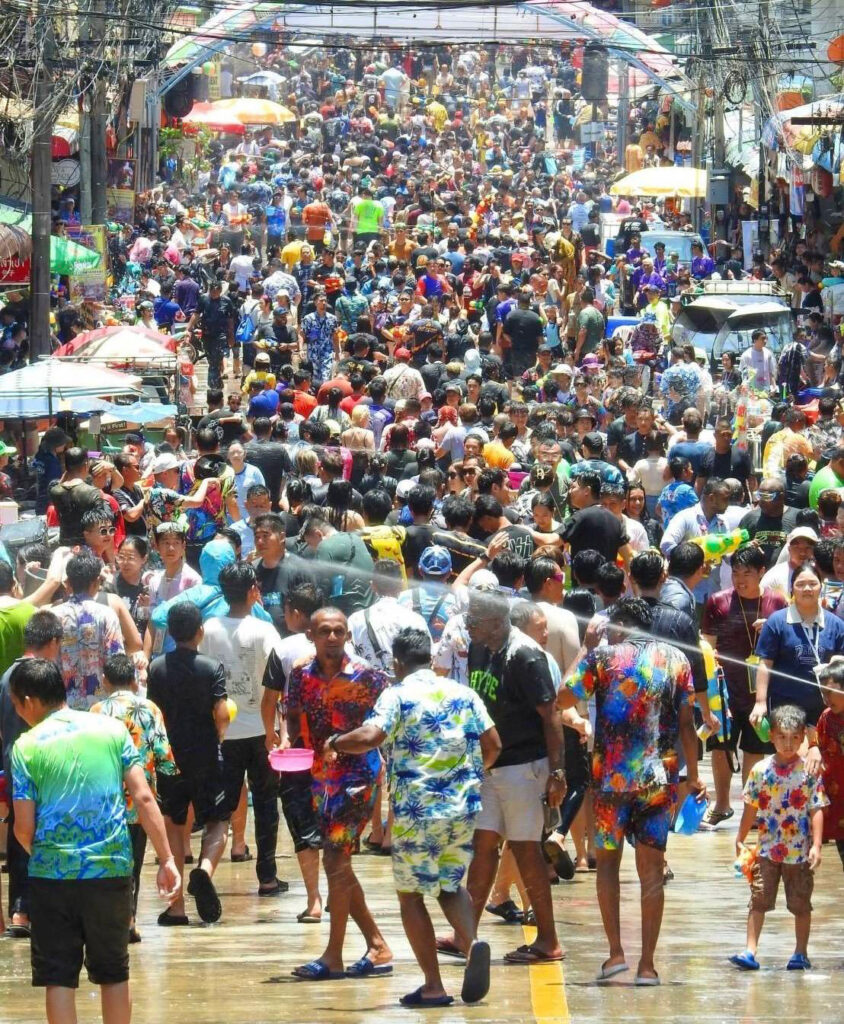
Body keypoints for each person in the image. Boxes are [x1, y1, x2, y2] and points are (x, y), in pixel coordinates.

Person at [328, 626, 501, 1006]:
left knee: (411, 897)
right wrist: (469, 776)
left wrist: (335, 742)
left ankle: (434, 986)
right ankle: (472, 942)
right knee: (450, 885)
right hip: (462, 808)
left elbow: (371, 737)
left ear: (396, 663)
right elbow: (494, 744)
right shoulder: (463, 692)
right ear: (430, 656)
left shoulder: (397, 694)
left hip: (417, 810)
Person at [9, 657, 180, 1024]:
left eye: (16, 704)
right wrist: (167, 858)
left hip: (52, 877)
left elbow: (23, 827)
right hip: (111, 869)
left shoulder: (25, 747)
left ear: (28, 701)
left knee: (59, 977)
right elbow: (144, 796)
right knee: (114, 971)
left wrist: (47, 855)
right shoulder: (112, 730)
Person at [559, 597, 704, 986]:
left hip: (611, 781)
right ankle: (648, 966)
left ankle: (615, 954)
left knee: (607, 865)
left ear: (618, 625)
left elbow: (563, 698)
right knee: (652, 871)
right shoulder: (676, 659)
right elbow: (687, 725)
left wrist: (587, 647)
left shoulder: (602, 657)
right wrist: (692, 775)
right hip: (659, 780)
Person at [438, 590, 565, 965]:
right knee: (482, 844)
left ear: (496, 622)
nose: (467, 626)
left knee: (525, 849)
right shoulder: (480, 648)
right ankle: (466, 934)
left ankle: (549, 940)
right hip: (490, 765)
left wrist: (558, 772)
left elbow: (551, 716)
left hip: (524, 767)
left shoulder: (525, 655)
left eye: (474, 620)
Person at [286, 607, 393, 979]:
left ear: (348, 635)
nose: (332, 637)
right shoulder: (300, 675)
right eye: (324, 631)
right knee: (339, 864)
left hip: (358, 778)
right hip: (320, 779)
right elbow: (293, 717)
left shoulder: (370, 677)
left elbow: (384, 727)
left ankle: (333, 956)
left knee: (335, 860)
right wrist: (290, 745)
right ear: (311, 636)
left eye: (339, 631)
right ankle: (377, 945)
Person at [199, 562, 288, 897]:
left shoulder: (208, 629)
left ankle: (206, 869)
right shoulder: (265, 631)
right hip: (262, 731)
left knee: (221, 808)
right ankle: (267, 877)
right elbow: (279, 683)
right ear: (253, 591)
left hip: (222, 733)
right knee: (266, 804)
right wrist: (280, 729)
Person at [146, 601, 232, 926]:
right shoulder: (211, 667)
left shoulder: (156, 668)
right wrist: (219, 737)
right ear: (200, 632)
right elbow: (221, 712)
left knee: (174, 825)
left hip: (169, 758)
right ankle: (204, 870)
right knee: (218, 821)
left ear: (170, 632)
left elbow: (154, 713)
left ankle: (177, 907)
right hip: (206, 755)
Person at [729, 704, 828, 972]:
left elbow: (817, 808)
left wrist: (817, 845)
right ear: (771, 736)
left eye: (794, 737)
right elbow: (750, 807)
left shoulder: (808, 772)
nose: (788, 743)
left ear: (802, 737)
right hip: (766, 850)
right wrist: (740, 838)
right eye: (782, 737)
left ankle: (800, 952)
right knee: (758, 899)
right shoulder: (760, 770)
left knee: (801, 904)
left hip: (799, 851)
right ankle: (750, 950)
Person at [90, 653, 177, 942]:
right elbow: (163, 754)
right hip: (140, 802)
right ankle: (129, 920)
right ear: (134, 681)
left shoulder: (97, 711)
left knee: (109, 862)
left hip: (107, 803)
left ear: (105, 681)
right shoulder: (150, 709)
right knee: (133, 864)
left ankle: (111, 919)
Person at [701, 545, 786, 827]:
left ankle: (752, 810)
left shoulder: (777, 602)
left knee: (754, 749)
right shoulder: (718, 601)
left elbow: (785, 642)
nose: (740, 579)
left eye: (747, 573)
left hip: (759, 691)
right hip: (724, 690)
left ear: (762, 572)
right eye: (736, 573)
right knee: (721, 747)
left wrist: (771, 626)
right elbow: (707, 646)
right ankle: (722, 804)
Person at [0, 609, 63, 939]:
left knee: (18, 833)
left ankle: (20, 911)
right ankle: (42, 909)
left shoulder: (6, 677)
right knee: (43, 831)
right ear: (52, 642)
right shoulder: (45, 676)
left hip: (12, 764)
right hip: (44, 765)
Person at [754, 562, 844, 731]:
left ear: (821, 587)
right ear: (792, 589)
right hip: (785, 708)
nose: (807, 589)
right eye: (800, 584)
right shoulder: (776, 622)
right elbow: (765, 663)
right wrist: (760, 702)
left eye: (813, 583)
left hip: (825, 709)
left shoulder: (837, 625)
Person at [347, 559, 429, 678]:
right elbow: (426, 660)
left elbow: (348, 659)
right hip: (408, 687)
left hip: (367, 687)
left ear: (373, 586)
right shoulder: (415, 619)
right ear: (401, 584)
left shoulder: (355, 620)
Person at [814, 660, 844, 869]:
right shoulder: (826, 718)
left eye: (830, 692)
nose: (826, 698)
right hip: (838, 801)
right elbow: (818, 745)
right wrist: (813, 748)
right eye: (823, 692)